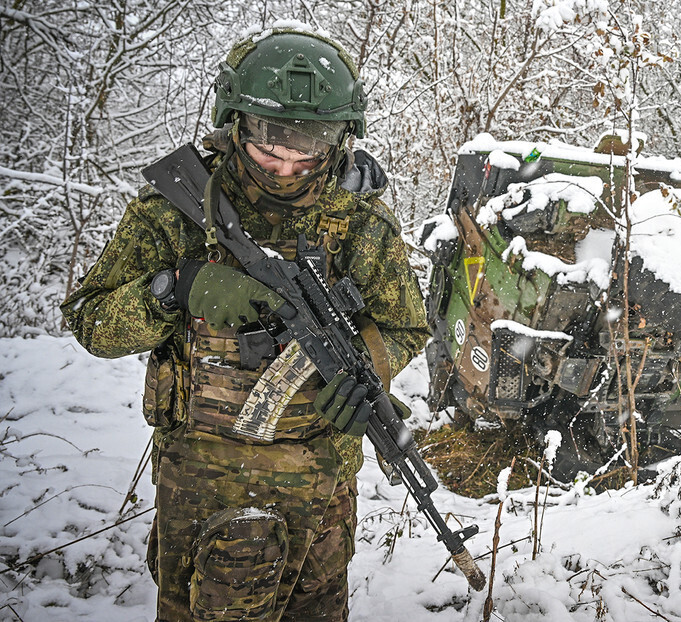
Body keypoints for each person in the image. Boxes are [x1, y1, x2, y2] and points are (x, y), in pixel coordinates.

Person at [61, 26, 429, 621]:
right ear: (235, 121)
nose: (286, 166)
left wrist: (366, 368)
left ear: (341, 139)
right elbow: (90, 321)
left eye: (308, 148)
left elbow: (408, 326)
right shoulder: (175, 212)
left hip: (323, 493)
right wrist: (176, 288)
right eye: (269, 144)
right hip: (206, 488)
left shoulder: (359, 222)